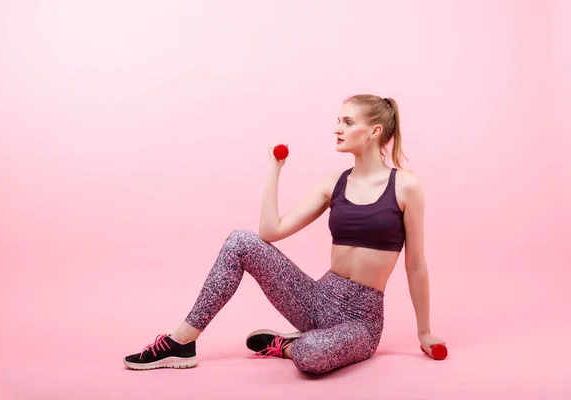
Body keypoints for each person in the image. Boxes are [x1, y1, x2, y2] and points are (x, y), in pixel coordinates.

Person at [123, 94, 446, 374]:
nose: (337, 128)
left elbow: (416, 264)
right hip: (316, 299)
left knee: (311, 355)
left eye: (348, 122)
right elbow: (270, 231)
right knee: (241, 240)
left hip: (359, 321)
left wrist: (425, 333)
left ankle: (289, 345)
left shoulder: (406, 186)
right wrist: (275, 169)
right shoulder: (332, 183)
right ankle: (181, 342)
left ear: (374, 131)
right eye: (338, 121)